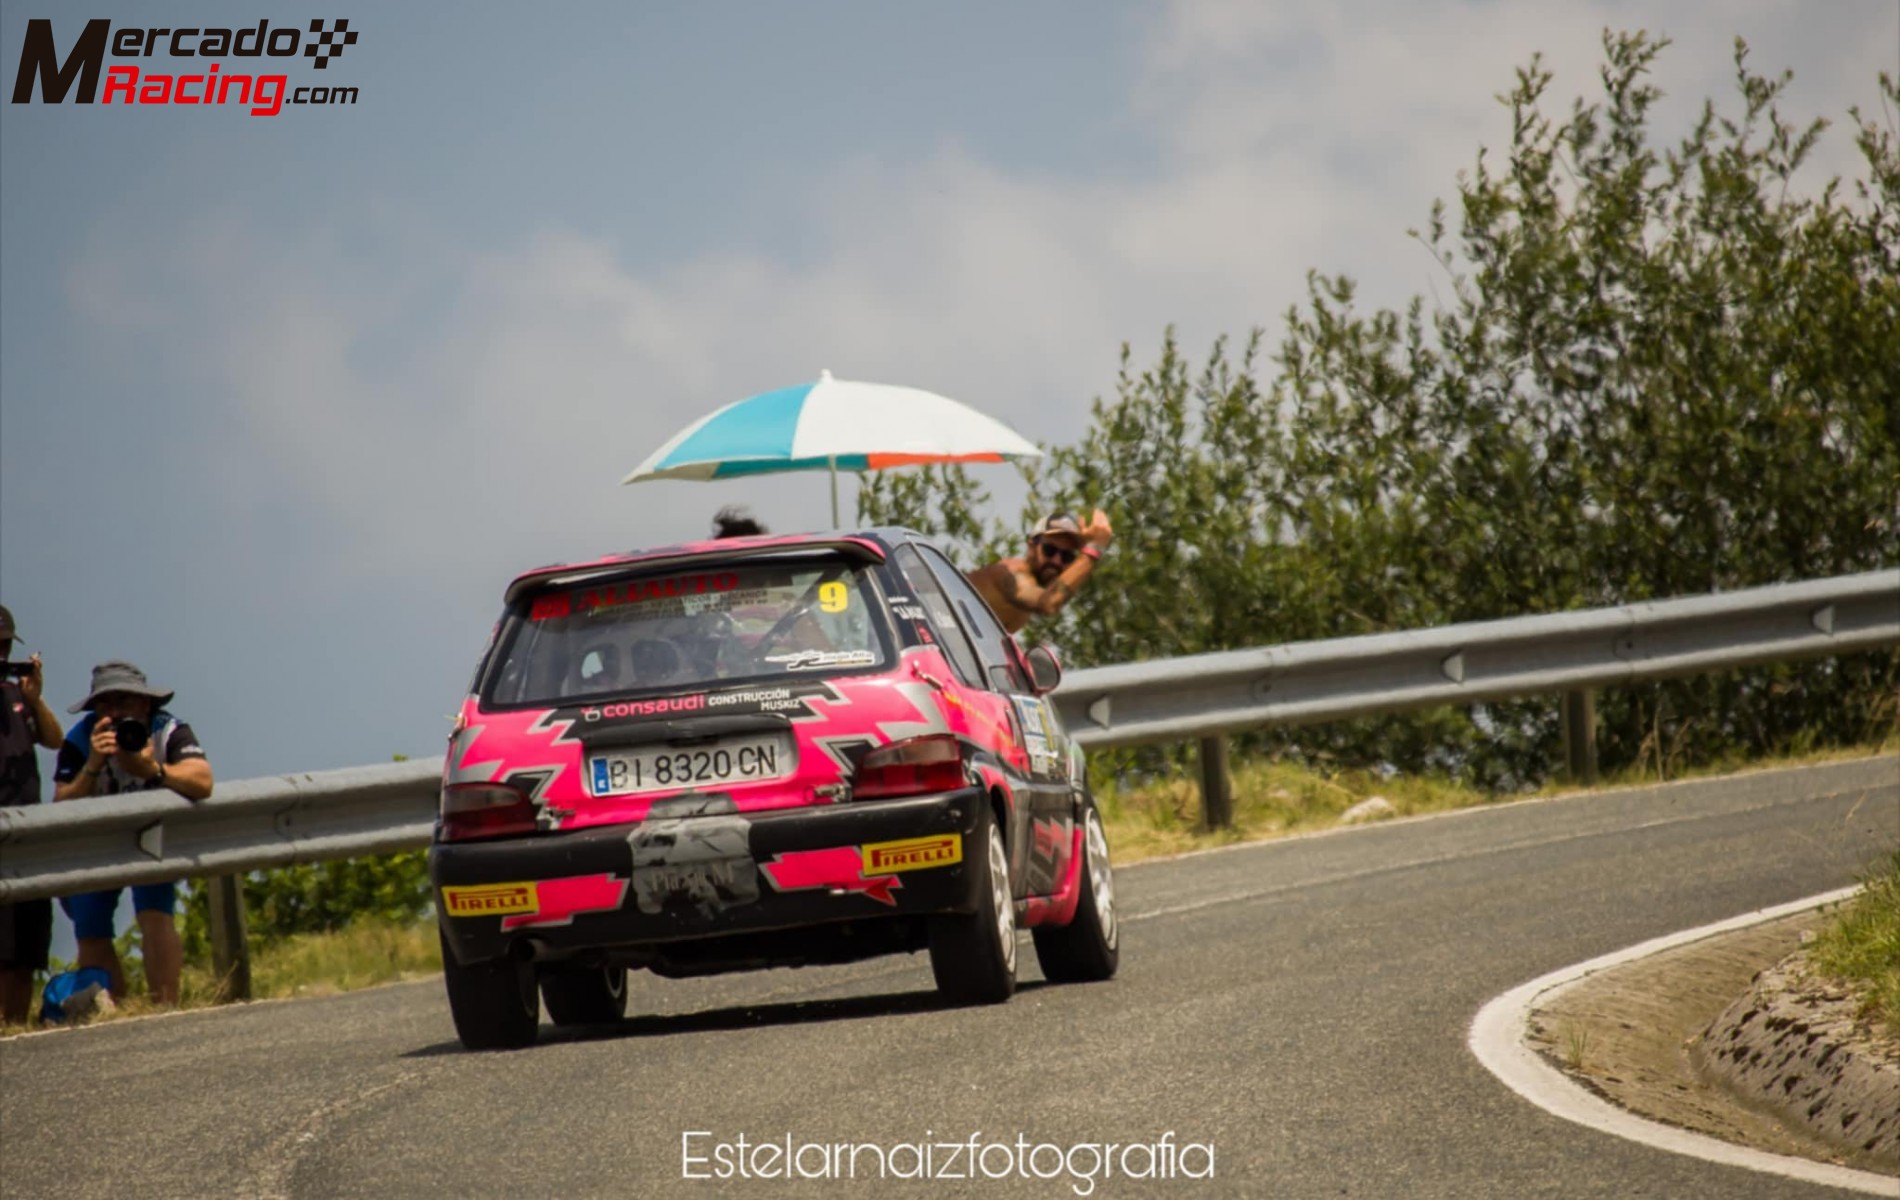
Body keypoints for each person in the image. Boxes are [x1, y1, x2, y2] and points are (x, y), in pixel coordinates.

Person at [52, 661, 213, 1005]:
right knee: (90, 928)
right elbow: (60, 803)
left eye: (124, 702)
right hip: (96, 840)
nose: (114, 713)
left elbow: (202, 781)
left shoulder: (167, 730)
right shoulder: (82, 738)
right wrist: (93, 765)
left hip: (150, 831)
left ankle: (164, 1008)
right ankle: (115, 1013)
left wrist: (151, 770)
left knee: (155, 914)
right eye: (105, 705)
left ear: (144, 703)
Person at [0, 605, 63, 1025]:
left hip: (29, 835)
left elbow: (55, 740)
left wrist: (34, 699)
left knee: (25, 952)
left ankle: (17, 1034)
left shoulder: (17, 696)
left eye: (5, 645)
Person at [967, 510, 1114, 635]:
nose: (1057, 561)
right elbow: (1048, 602)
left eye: (1066, 557)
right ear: (1032, 546)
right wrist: (1093, 550)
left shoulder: (1033, 589)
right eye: (1049, 550)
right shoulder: (1012, 573)